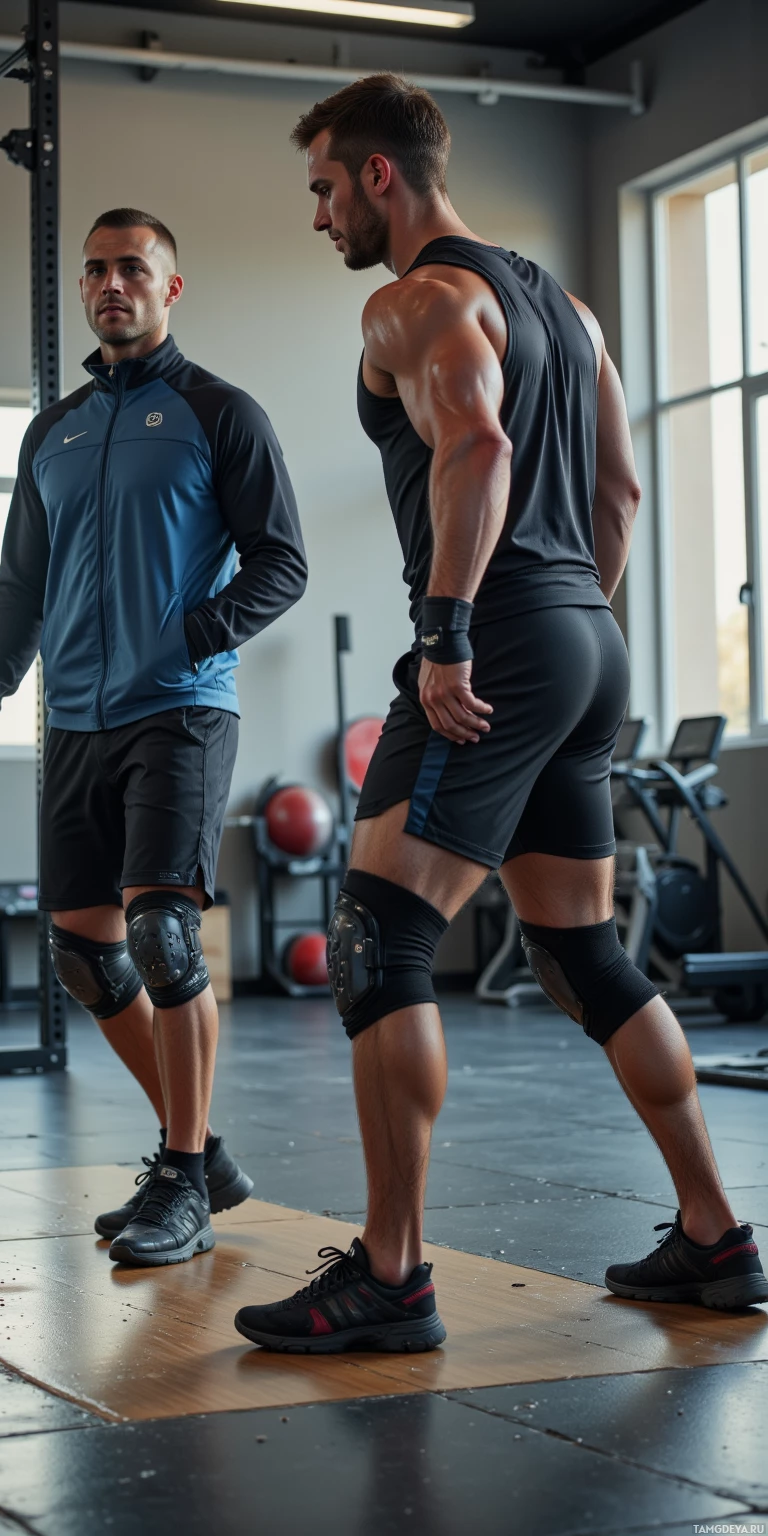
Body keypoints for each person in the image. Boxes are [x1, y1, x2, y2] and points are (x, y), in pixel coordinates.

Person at [235, 75, 766, 1352]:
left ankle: (390, 1273)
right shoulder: (569, 311)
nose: (317, 218)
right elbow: (621, 491)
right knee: (577, 948)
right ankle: (712, 1236)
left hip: (496, 642)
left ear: (376, 175)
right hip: (589, 635)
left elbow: (477, 449)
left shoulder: (413, 300)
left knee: (378, 936)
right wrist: (566, 622)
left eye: (321, 187)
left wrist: (454, 632)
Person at [0, 207, 306, 1267]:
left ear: (171, 287)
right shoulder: (51, 430)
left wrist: (200, 629)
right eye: (97, 270)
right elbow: (22, 583)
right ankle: (203, 1155)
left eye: (133, 269)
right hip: (77, 721)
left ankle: (185, 1179)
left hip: (182, 709)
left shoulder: (218, 411)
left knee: (161, 937)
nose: (112, 284)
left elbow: (279, 562)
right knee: (85, 955)